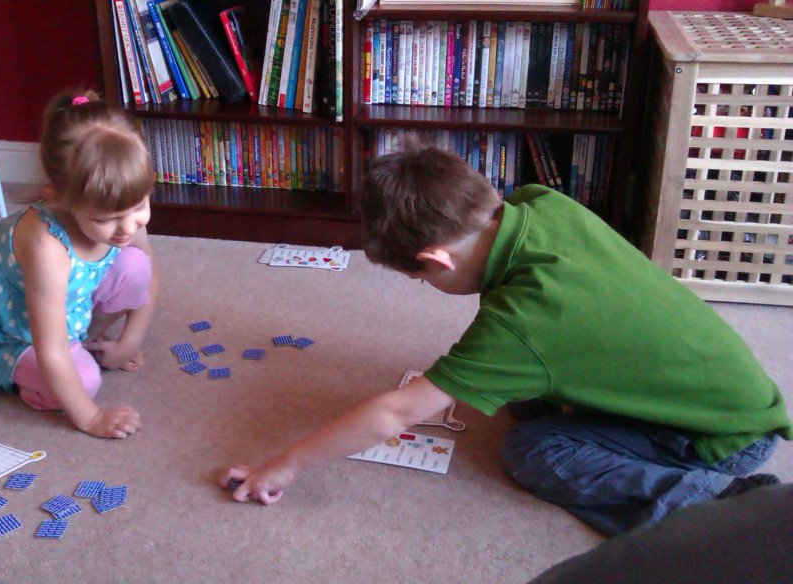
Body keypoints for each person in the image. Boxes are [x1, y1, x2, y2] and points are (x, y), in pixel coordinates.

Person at [219, 140, 791, 536]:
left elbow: (396, 413)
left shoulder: (520, 323)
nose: (424, 286)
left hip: (718, 439)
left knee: (535, 452)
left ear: (435, 260)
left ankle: (716, 508)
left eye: (419, 279)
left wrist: (286, 463)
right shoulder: (540, 202)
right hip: (733, 395)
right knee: (519, 397)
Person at [0, 90, 158, 439]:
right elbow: (50, 348)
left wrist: (129, 342)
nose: (127, 227)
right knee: (84, 382)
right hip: (14, 336)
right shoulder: (46, 246)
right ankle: (27, 380)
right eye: (105, 219)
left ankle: (83, 341)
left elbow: (148, 279)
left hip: (68, 309)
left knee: (136, 267)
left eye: (139, 207)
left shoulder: (122, 207)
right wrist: (91, 418)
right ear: (60, 199)